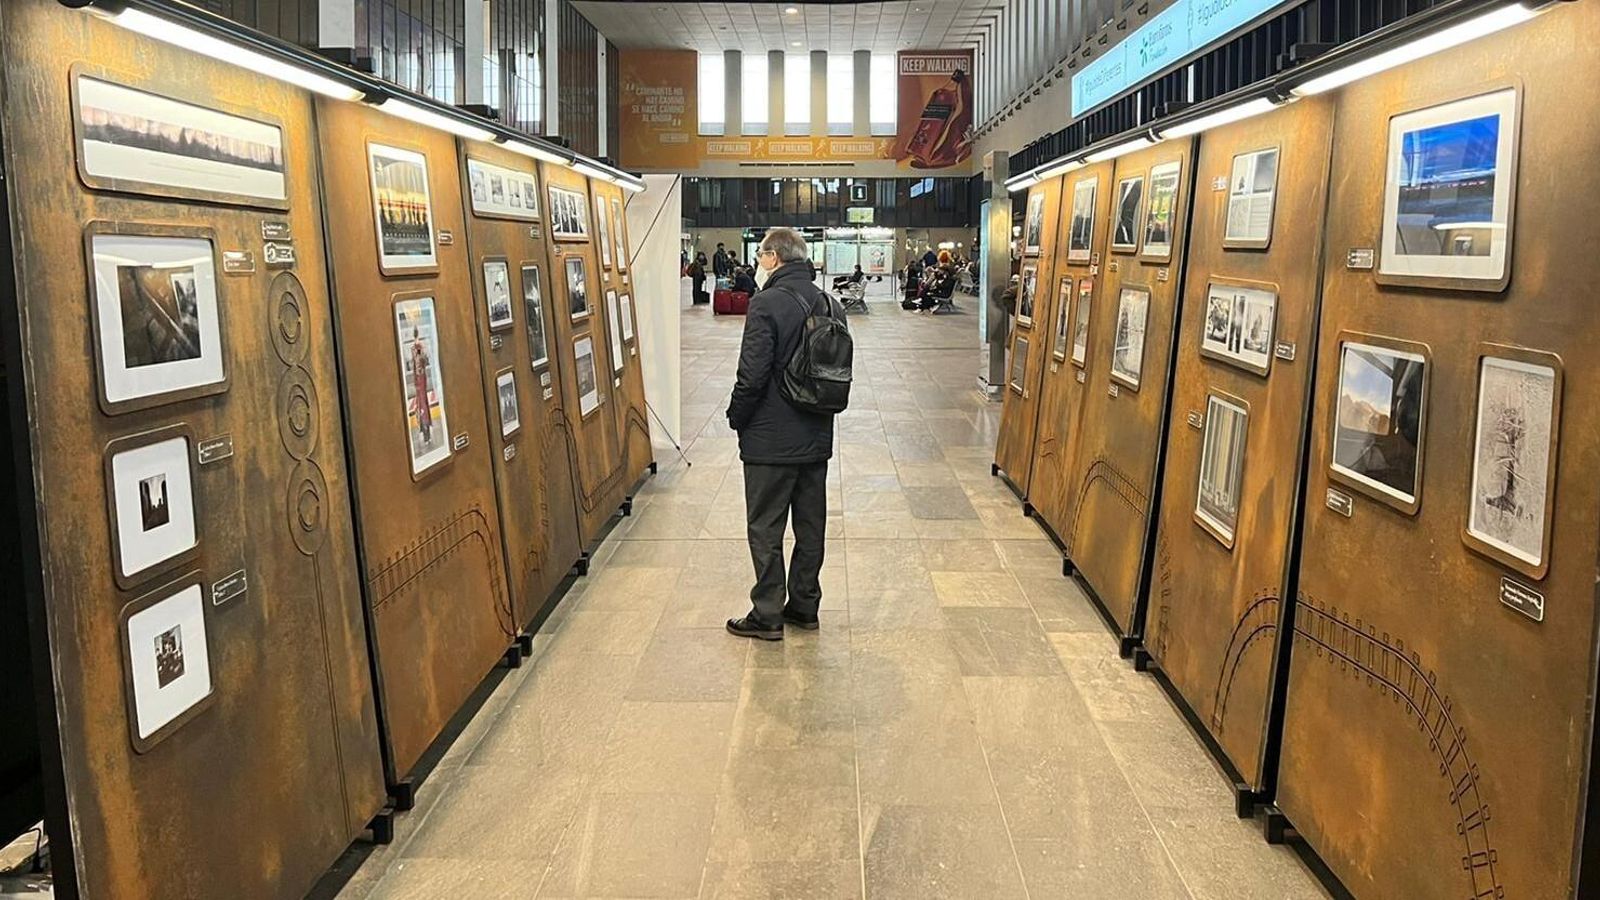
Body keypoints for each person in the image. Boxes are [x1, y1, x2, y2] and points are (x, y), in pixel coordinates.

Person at [725, 227, 842, 641]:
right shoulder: (829, 302)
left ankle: (768, 612)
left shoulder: (766, 303)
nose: (758, 262)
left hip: (769, 439)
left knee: (766, 527)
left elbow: (752, 375)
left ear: (774, 257)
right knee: (811, 525)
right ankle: (805, 606)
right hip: (815, 434)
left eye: (760, 255)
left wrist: (736, 416)